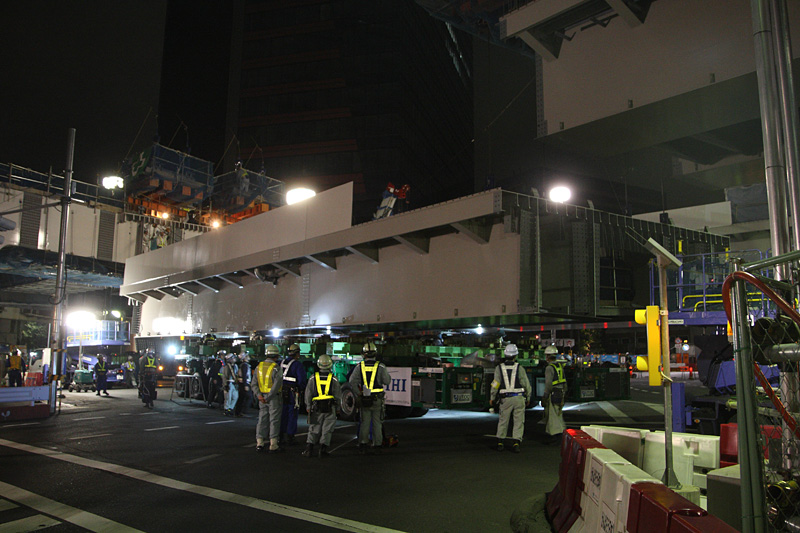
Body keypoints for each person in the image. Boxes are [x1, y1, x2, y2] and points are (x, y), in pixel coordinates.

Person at [349, 342, 391, 454]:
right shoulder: (381, 366)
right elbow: (386, 381)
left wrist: (358, 393)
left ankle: (363, 444)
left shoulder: (359, 366)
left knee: (364, 422)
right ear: (375, 353)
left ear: (364, 354)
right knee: (377, 422)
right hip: (377, 399)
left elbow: (352, 381)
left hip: (365, 398)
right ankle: (377, 445)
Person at [490, 344, 531, 453]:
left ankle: (500, 442)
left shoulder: (499, 368)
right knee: (518, 421)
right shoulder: (520, 368)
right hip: (519, 398)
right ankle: (516, 443)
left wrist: (492, 397)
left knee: (503, 420)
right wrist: (528, 396)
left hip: (505, 399)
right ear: (515, 355)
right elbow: (526, 384)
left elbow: (495, 384)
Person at [302, 354, 341, 458]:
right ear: (330, 365)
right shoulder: (334, 379)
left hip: (316, 407)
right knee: (327, 429)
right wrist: (338, 409)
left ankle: (309, 449)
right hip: (330, 407)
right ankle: (322, 450)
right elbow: (338, 396)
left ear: (318, 364)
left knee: (314, 427)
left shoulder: (312, 378)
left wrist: (308, 406)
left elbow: (308, 393)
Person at [252, 344, 283, 453]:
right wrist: (269, 397)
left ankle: (259, 443)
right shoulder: (276, 368)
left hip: (262, 398)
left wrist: (259, 395)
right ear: (276, 356)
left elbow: (254, 384)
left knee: (262, 419)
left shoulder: (258, 367)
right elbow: (277, 385)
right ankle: (273, 444)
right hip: (273, 398)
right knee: (274, 420)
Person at [279, 344, 307, 446]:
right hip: (292, 392)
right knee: (292, 413)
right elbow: (301, 380)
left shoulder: (281, 362)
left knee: (282, 413)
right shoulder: (297, 365)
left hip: (281, 391)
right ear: (297, 353)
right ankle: (290, 436)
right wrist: (301, 389)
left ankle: (280, 435)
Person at [541, 346, 568, 445]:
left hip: (553, 393)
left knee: (552, 417)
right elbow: (564, 381)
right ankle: (561, 435)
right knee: (558, 414)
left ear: (547, 356)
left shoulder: (549, 368)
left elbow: (548, 384)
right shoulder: (559, 366)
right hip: (560, 393)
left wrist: (545, 396)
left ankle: (555, 437)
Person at [234, 350, 252, 417]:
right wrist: (245, 385)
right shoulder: (245, 365)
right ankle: (243, 411)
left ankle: (238, 412)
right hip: (244, 383)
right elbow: (244, 375)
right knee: (249, 397)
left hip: (242, 383)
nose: (249, 357)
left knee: (241, 398)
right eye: (247, 356)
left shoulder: (243, 365)